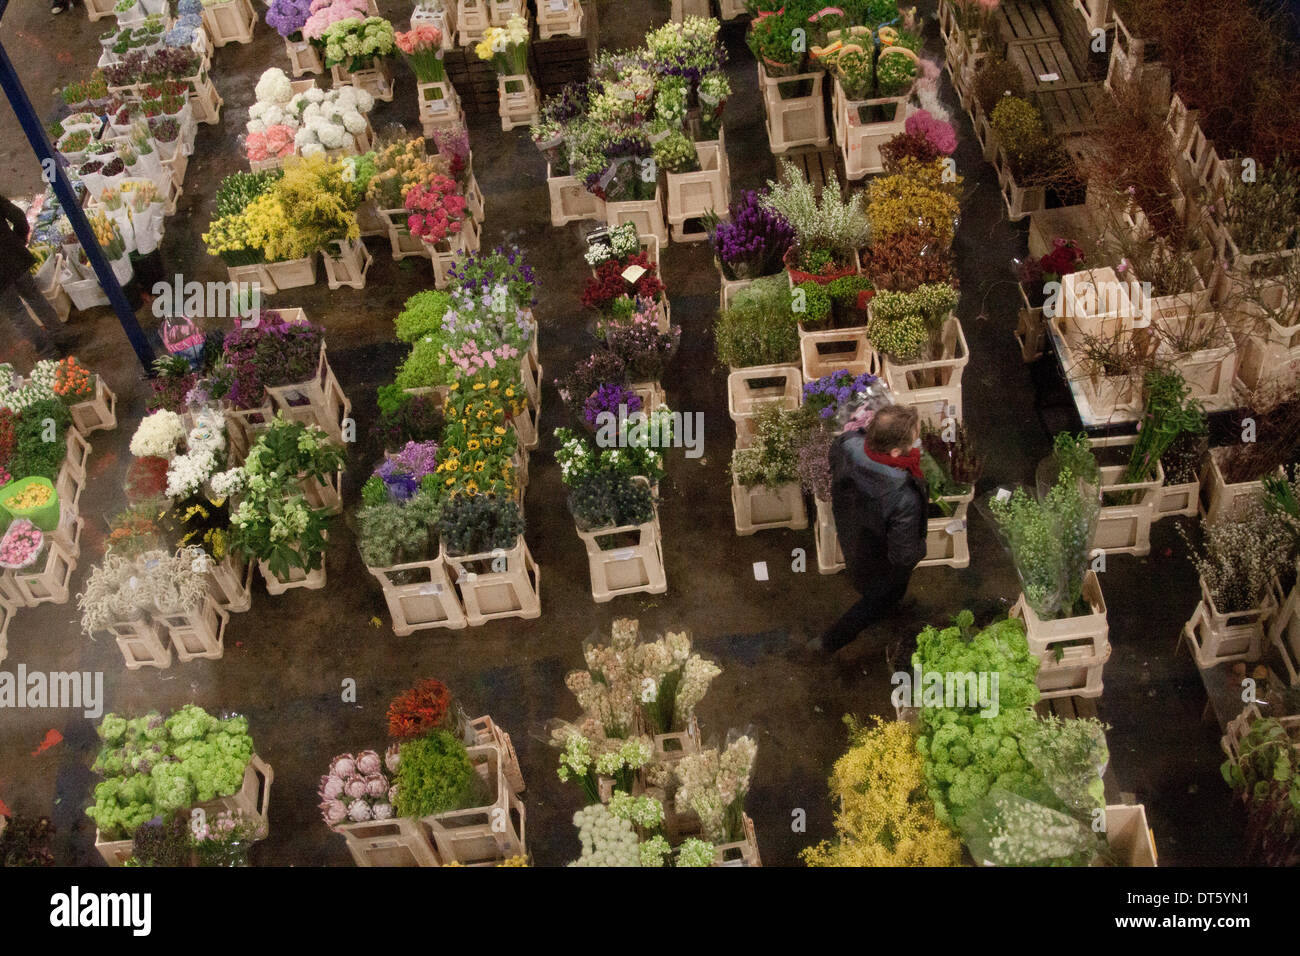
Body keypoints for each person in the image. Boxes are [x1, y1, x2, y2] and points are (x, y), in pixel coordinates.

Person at [815, 403, 928, 653]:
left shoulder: (848, 444)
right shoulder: (902, 497)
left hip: (853, 533)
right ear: (897, 452)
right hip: (881, 561)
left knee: (865, 579)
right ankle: (828, 642)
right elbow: (903, 555)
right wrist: (920, 548)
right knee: (878, 600)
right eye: (915, 438)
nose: (918, 441)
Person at [0, 194, 72, 360]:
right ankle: (62, 337)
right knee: (36, 297)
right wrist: (18, 240)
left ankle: (49, 352)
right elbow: (17, 215)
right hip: (14, 256)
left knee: (17, 314)